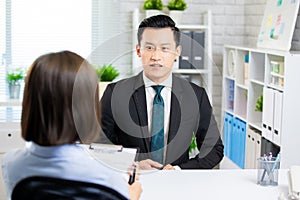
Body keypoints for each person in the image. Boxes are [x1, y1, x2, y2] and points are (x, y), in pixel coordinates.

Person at [1, 51, 142, 199]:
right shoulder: (107, 176)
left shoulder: (11, 164)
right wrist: (132, 195)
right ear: (86, 109)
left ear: (30, 104)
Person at [101, 15, 224, 170]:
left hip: (176, 184)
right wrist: (132, 165)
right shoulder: (115, 93)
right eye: (149, 48)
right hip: (131, 181)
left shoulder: (196, 96)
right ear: (139, 50)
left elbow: (214, 149)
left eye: (165, 48)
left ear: (177, 52)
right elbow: (100, 145)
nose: (156, 56)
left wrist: (179, 170)